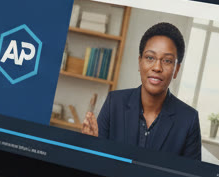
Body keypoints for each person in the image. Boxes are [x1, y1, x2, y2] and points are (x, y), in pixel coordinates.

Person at [80, 22, 202, 160]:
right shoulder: (114, 102)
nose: (157, 67)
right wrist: (89, 146)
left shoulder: (189, 120)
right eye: (150, 57)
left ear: (176, 70)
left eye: (167, 61)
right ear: (140, 62)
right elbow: (95, 162)